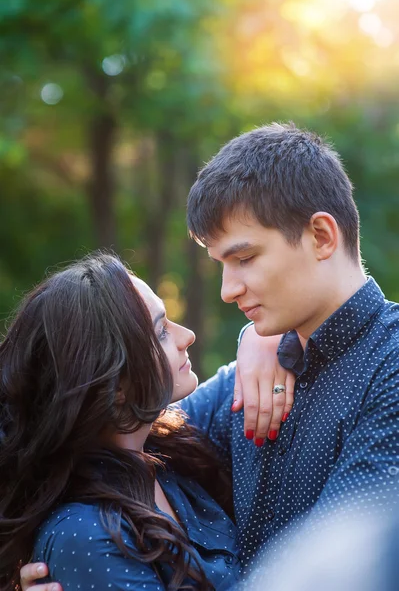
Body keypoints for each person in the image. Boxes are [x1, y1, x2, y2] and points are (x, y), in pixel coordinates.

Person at [22, 122, 399, 589]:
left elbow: (345, 572)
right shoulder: (243, 385)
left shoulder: (390, 366)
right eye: (220, 266)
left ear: (321, 236)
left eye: (244, 259)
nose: (227, 290)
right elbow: (83, 433)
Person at [0, 252, 242, 591]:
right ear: (114, 387)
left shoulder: (165, 443)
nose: (186, 336)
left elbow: (241, 375)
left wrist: (256, 340)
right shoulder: (86, 536)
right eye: (161, 332)